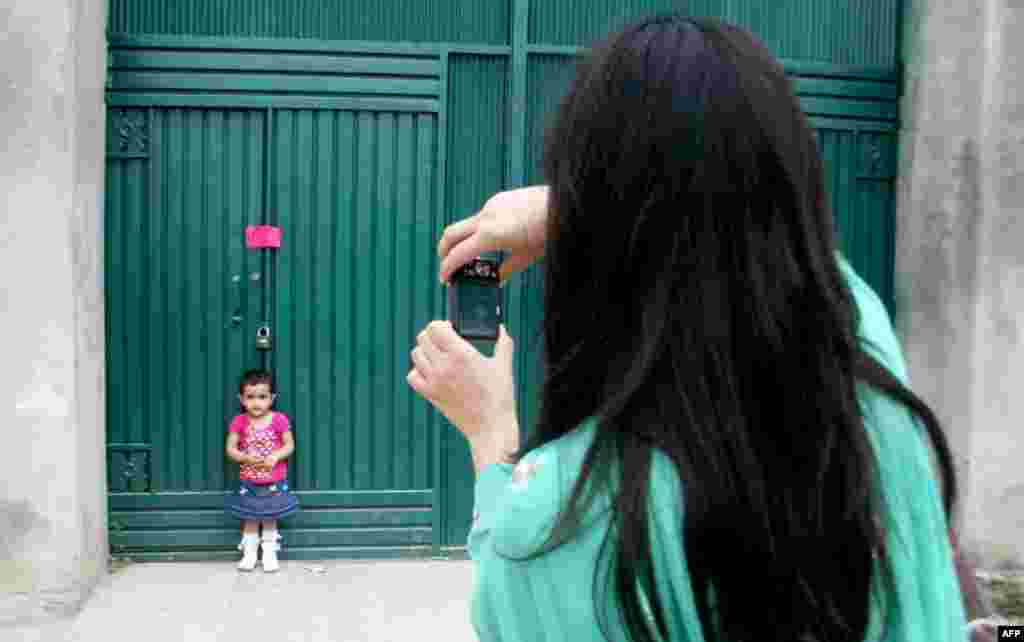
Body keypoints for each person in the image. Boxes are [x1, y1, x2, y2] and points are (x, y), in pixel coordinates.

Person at [409, 14, 979, 642]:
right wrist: (576, 204)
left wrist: (491, 434)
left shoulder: (568, 523)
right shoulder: (858, 363)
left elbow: (510, 592)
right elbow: (761, 241)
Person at [224, 368, 298, 572]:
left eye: (262, 397)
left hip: (273, 480)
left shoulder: (279, 420)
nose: (256, 402)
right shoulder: (239, 421)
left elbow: (289, 445)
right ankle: (249, 554)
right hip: (250, 480)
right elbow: (230, 448)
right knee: (250, 517)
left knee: (269, 517)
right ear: (241, 398)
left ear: (272, 398)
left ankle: (269, 553)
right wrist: (244, 457)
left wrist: (276, 456)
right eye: (250, 397)